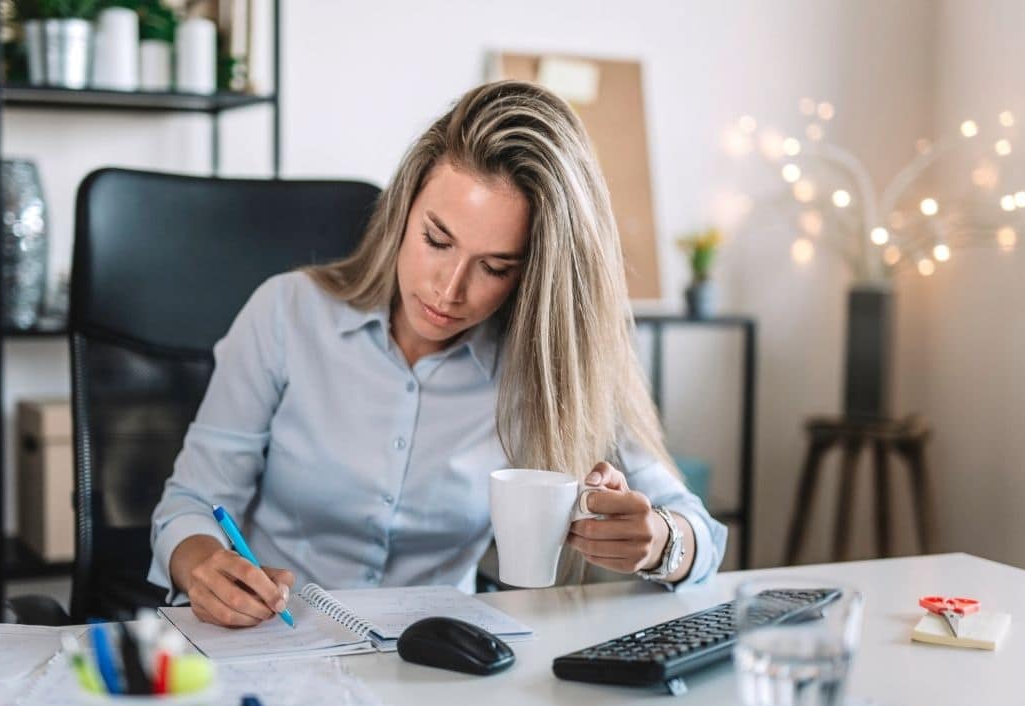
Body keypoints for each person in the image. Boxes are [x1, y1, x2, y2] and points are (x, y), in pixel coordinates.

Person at [149, 79, 727, 628]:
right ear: (404, 210)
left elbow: (698, 531)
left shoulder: (550, 365)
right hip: (280, 642)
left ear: (534, 275)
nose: (449, 291)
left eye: (496, 267)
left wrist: (659, 542)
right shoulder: (286, 313)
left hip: (440, 660)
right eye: (437, 240)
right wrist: (202, 565)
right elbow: (193, 502)